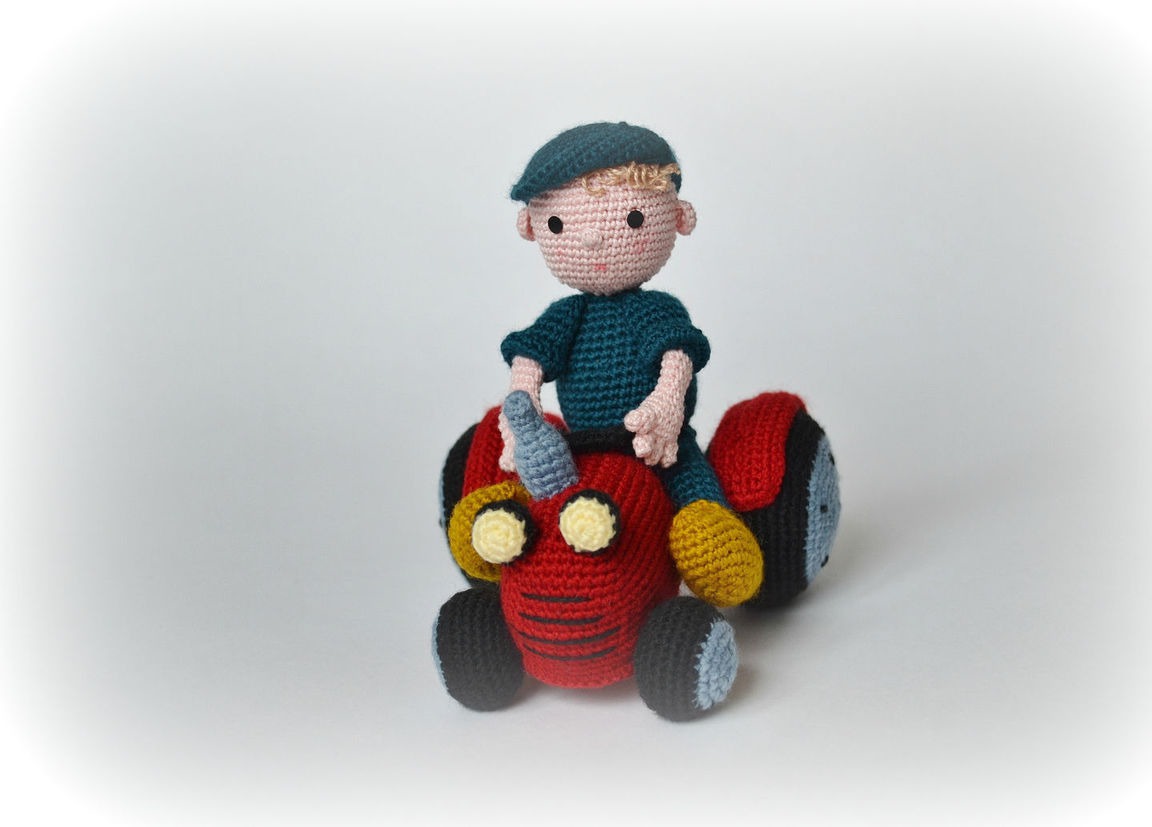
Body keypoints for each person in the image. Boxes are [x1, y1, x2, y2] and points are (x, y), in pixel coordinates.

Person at [497, 122, 762, 607]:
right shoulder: (567, 317)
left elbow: (677, 355)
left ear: (677, 217)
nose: (593, 240)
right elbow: (529, 357)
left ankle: (711, 547)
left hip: (659, 449)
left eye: (632, 218)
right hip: (581, 453)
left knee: (693, 493)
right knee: (543, 505)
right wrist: (520, 411)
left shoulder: (655, 311)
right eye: (558, 224)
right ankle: (516, 554)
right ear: (531, 228)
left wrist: (665, 405)